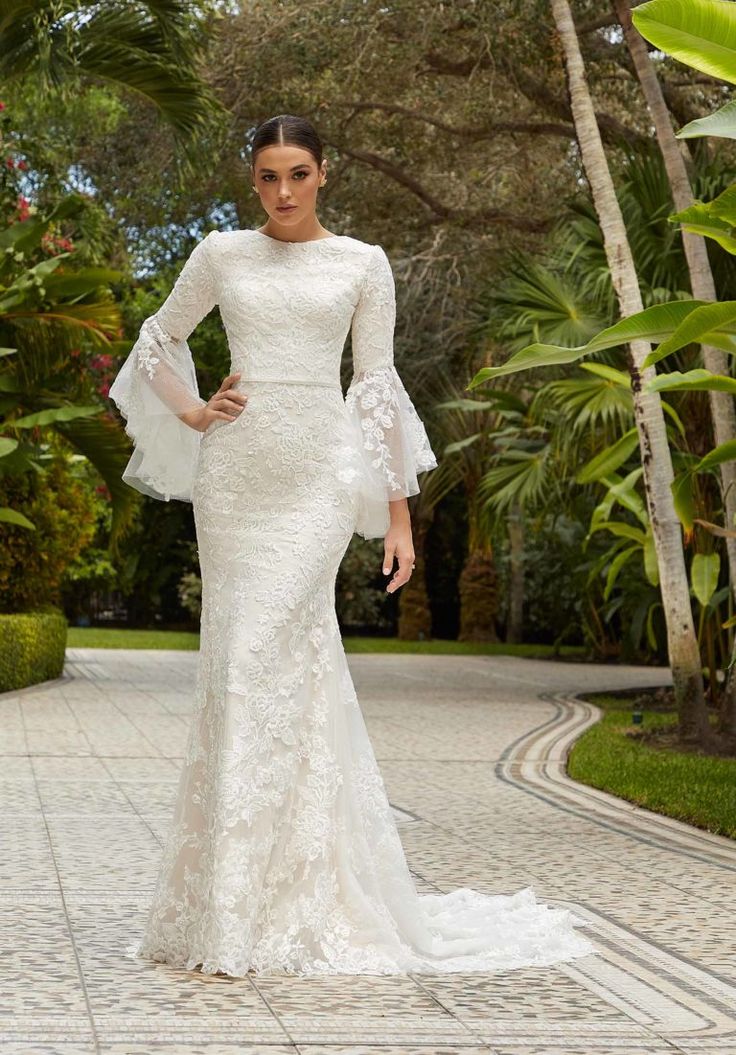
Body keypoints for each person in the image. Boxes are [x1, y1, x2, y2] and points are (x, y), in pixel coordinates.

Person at [109, 113, 596, 977]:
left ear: (325, 173)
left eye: (298, 174)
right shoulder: (221, 253)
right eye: (267, 176)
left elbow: (375, 387)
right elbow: (157, 339)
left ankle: (287, 895)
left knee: (270, 652)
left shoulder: (363, 264)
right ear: (251, 179)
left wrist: (399, 515)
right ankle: (237, 900)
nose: (284, 192)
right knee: (242, 666)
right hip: (237, 477)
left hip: (318, 481)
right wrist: (192, 412)